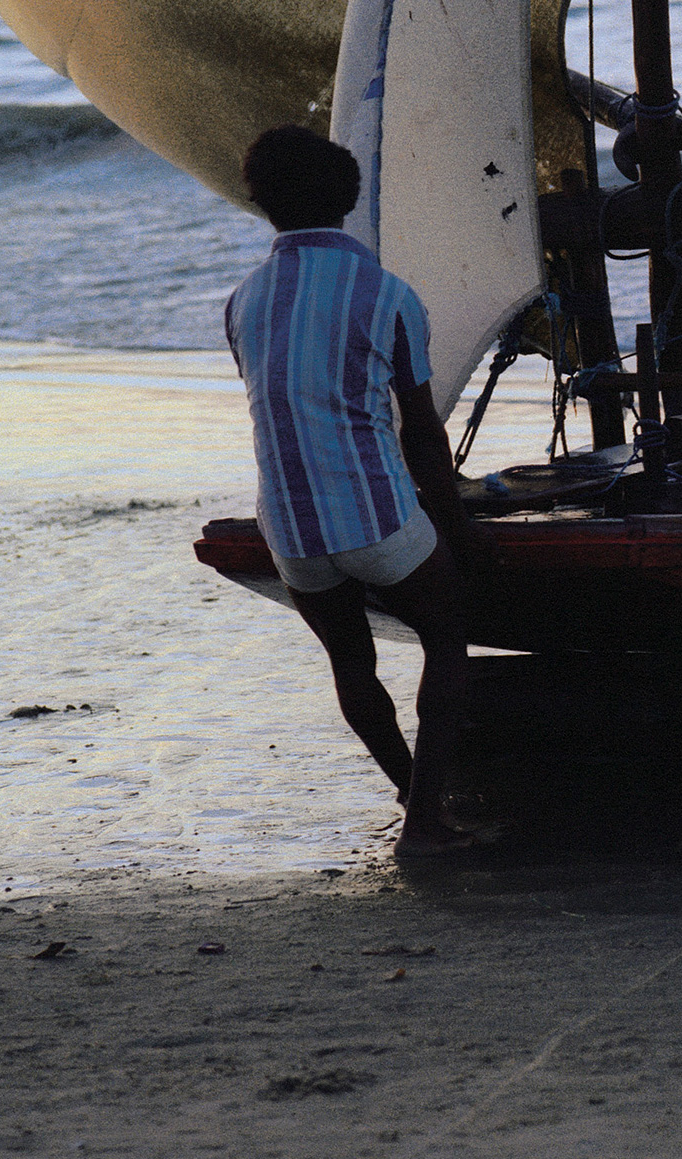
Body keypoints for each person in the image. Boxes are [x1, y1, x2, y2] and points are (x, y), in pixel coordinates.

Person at [224, 124, 481, 858]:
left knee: (350, 662)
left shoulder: (242, 300)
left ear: (263, 205)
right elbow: (423, 438)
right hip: (373, 518)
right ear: (348, 197)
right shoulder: (387, 295)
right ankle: (425, 819)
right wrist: (459, 531)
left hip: (291, 530)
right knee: (446, 629)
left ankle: (413, 795)